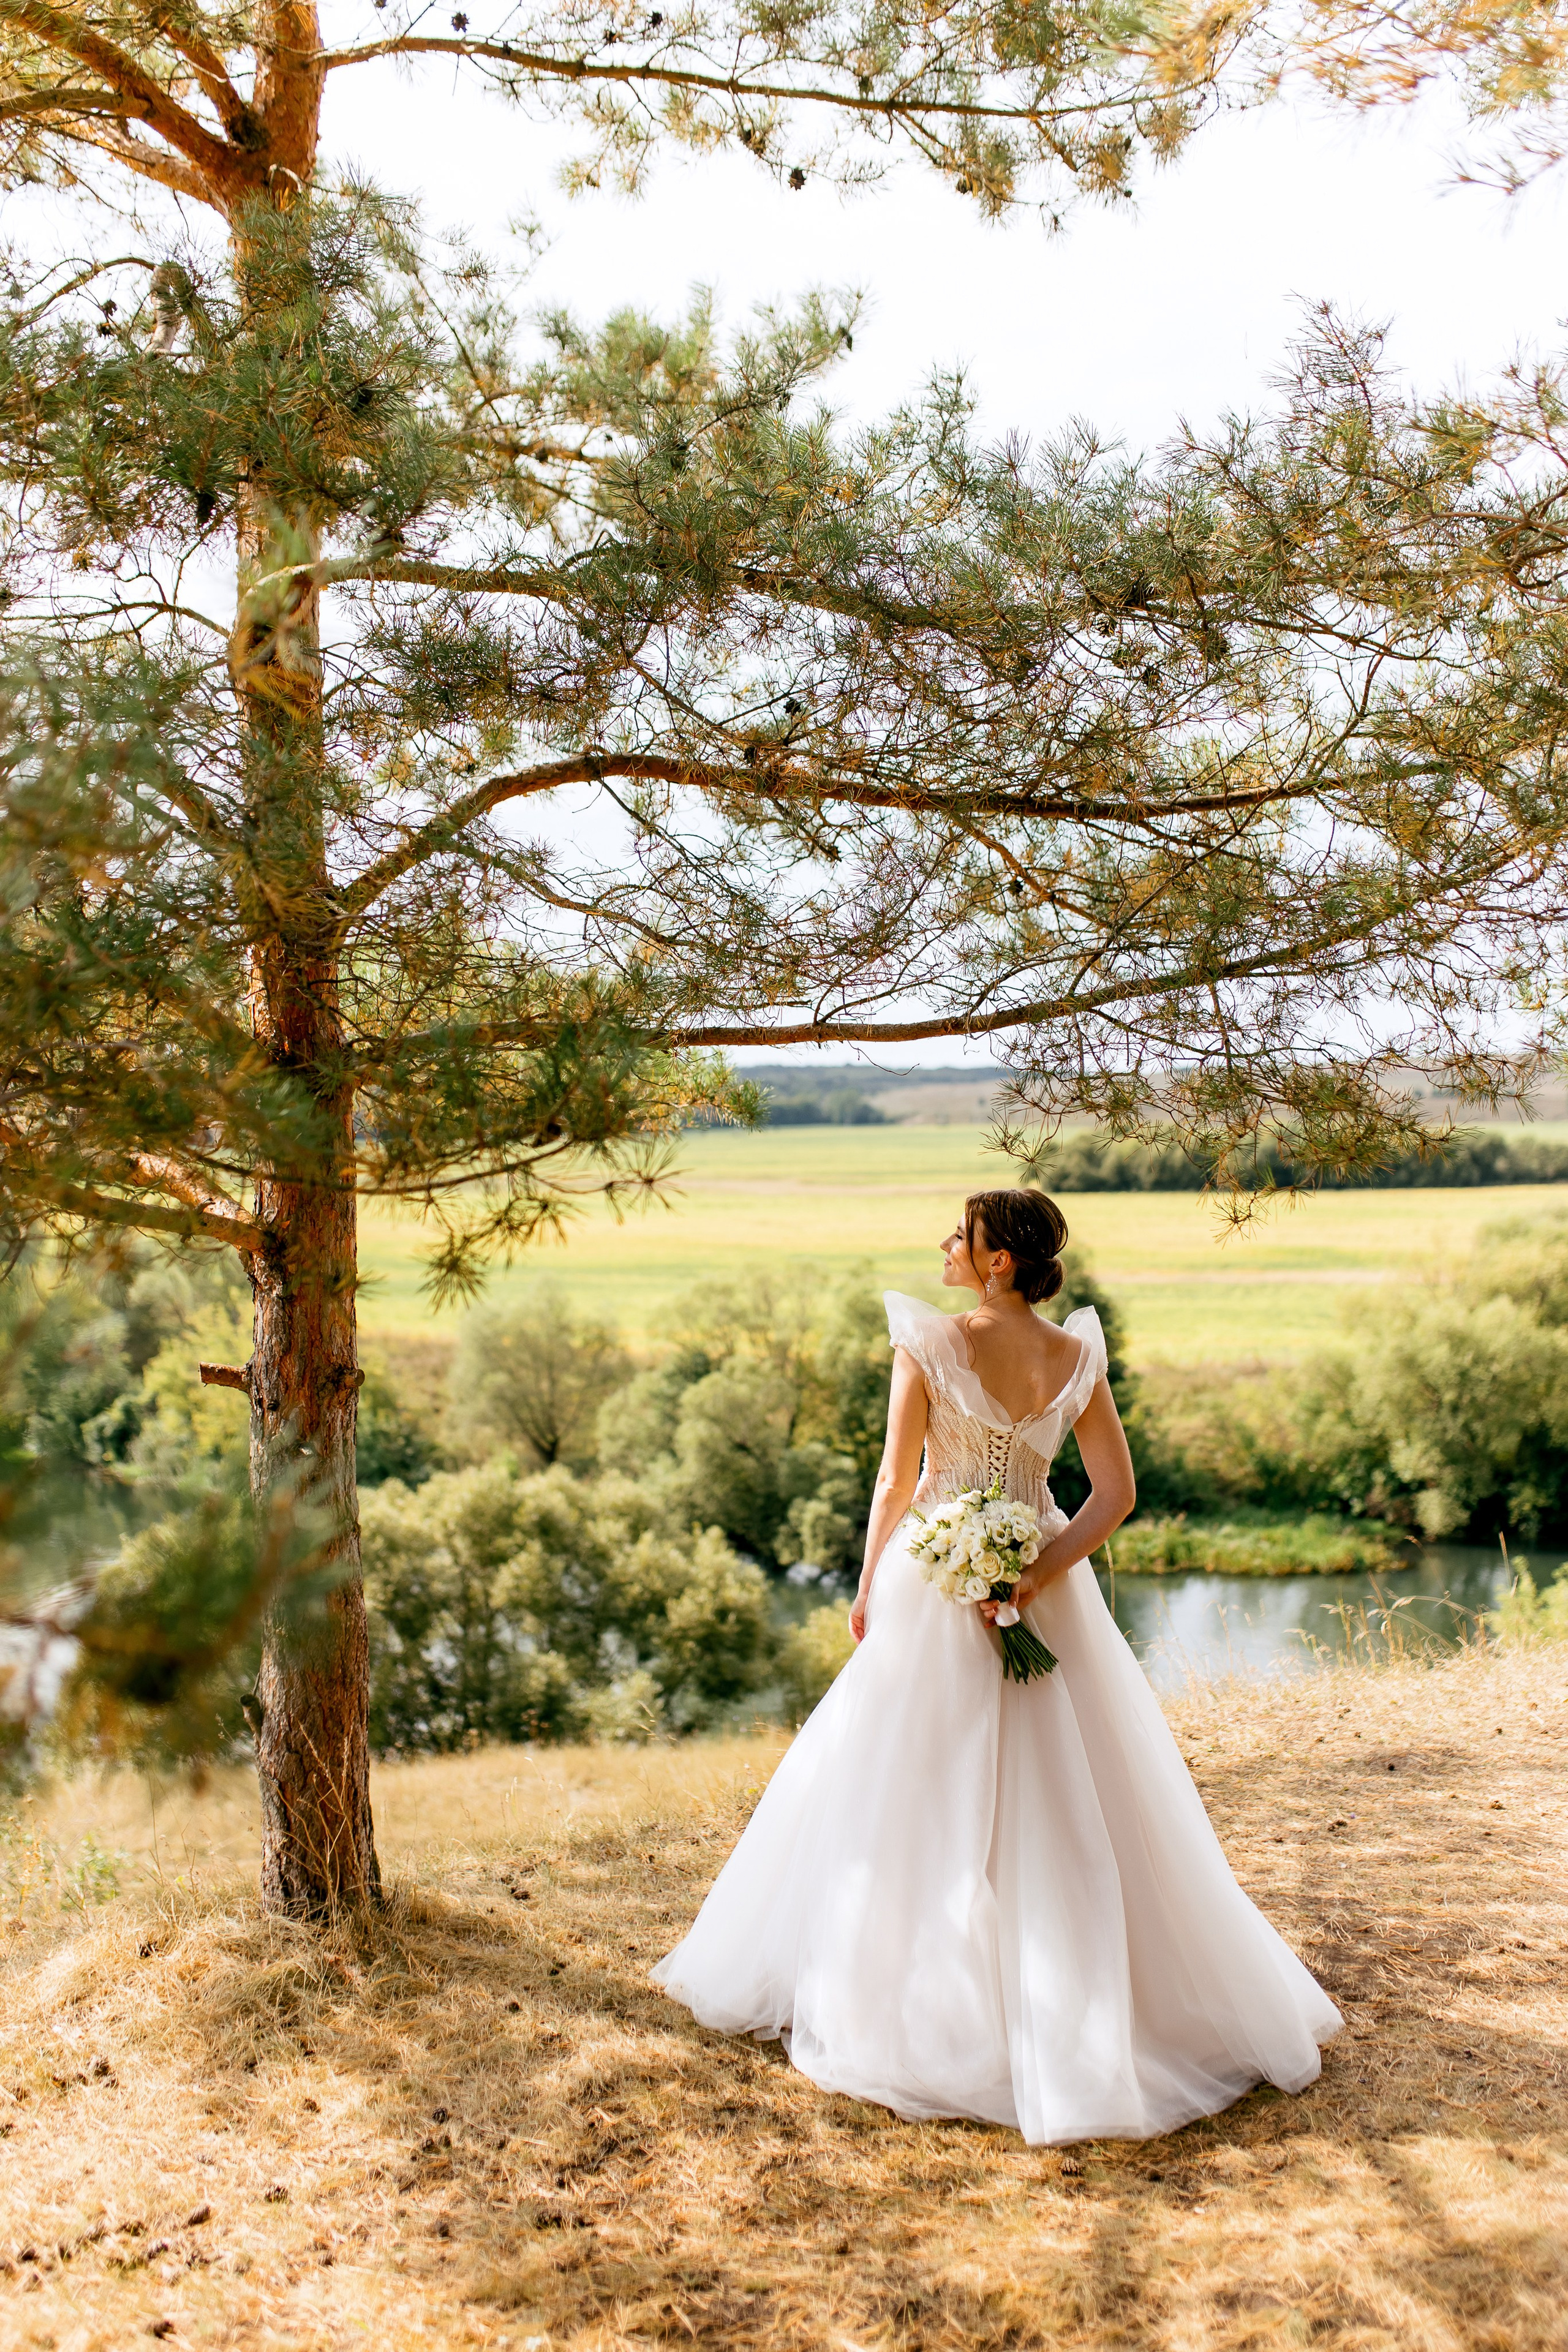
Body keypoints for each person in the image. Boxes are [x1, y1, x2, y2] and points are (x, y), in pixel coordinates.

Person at [652, 1186, 1341, 2144]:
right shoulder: (1076, 1355)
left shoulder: (930, 1343)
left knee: (907, 1787)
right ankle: (1089, 2000)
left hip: (934, 1579)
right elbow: (1115, 1495)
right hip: (1044, 1582)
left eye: (961, 1235)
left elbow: (895, 1482)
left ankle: (920, 2003)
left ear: (998, 1260)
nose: (946, 1244)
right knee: (1070, 1792)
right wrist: (1034, 1574)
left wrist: (868, 1582)